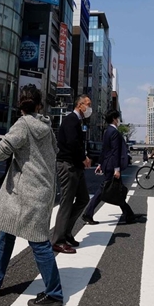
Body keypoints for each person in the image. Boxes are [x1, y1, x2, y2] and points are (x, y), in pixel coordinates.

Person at [0, 87, 63, 306]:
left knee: (39, 242)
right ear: (39, 105)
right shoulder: (47, 126)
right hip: (42, 189)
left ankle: (54, 293)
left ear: (20, 104)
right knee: (6, 234)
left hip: (25, 193)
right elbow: (55, 151)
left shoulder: (22, 124)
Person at [51, 94, 93, 254]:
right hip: (68, 165)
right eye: (88, 104)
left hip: (76, 165)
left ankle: (66, 232)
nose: (89, 108)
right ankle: (58, 240)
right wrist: (83, 158)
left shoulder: (77, 121)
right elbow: (72, 142)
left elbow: (76, 143)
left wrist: (83, 158)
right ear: (80, 104)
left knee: (83, 199)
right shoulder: (71, 120)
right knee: (66, 202)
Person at [82, 110, 138, 225]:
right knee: (107, 190)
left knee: (116, 189)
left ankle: (129, 215)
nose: (118, 120)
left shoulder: (107, 131)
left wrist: (100, 164)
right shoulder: (114, 132)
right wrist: (116, 169)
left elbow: (104, 150)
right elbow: (115, 151)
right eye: (117, 118)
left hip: (108, 164)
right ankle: (88, 213)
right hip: (112, 166)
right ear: (114, 118)